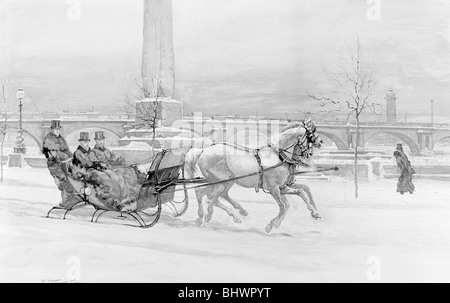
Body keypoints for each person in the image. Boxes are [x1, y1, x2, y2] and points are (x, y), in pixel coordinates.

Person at [42, 120, 73, 190]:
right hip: (54, 164)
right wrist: (64, 156)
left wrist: (70, 155)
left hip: (65, 163)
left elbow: (67, 150)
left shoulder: (61, 139)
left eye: (58, 129)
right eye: (56, 129)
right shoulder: (48, 139)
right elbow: (54, 153)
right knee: (63, 180)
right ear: (52, 130)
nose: (57, 131)